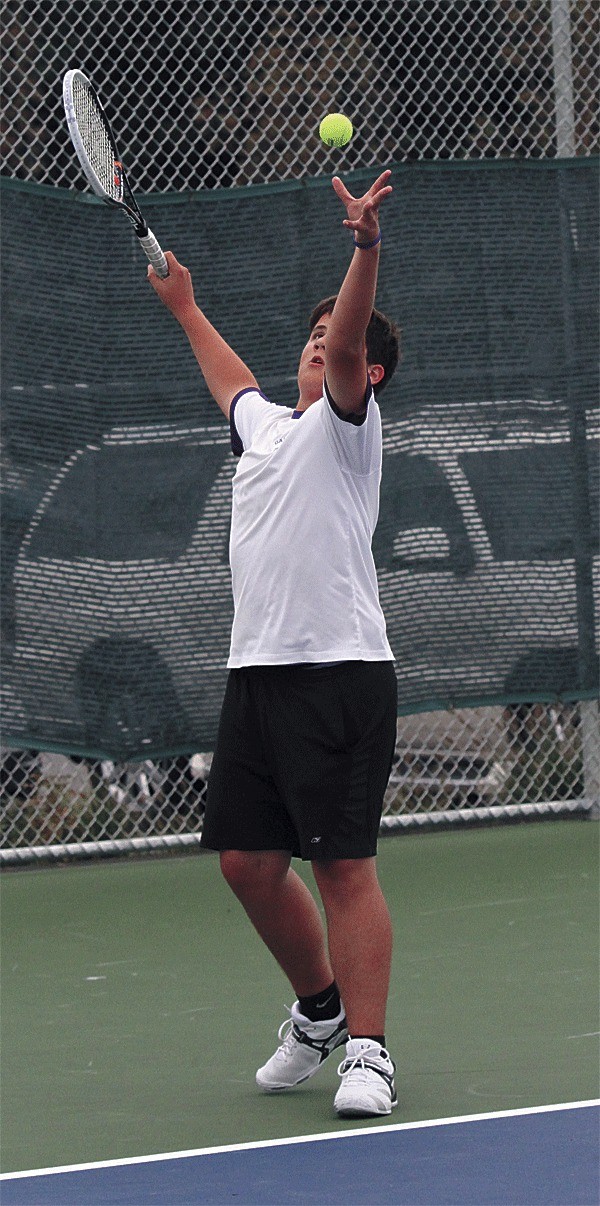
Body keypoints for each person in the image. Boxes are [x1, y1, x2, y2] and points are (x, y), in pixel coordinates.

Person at [148, 170, 401, 1118]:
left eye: (332, 340)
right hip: (254, 676)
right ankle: (321, 1009)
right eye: (312, 334)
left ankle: (369, 1053)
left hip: (338, 673)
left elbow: (345, 334)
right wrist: (187, 304)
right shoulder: (263, 432)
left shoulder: (349, 428)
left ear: (362, 370)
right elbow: (229, 377)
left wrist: (364, 250)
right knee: (248, 865)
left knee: (342, 865)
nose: (318, 344)